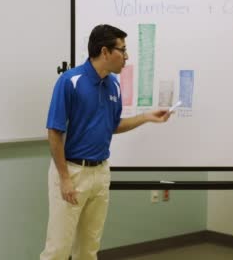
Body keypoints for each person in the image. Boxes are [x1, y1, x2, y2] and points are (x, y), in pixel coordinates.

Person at [40, 24, 172, 260]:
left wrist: (146, 117)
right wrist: (64, 178)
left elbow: (112, 126)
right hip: (71, 172)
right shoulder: (70, 81)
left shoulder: (113, 84)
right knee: (58, 250)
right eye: (122, 50)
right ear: (105, 52)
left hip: (100, 172)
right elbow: (54, 132)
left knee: (89, 250)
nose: (127, 56)